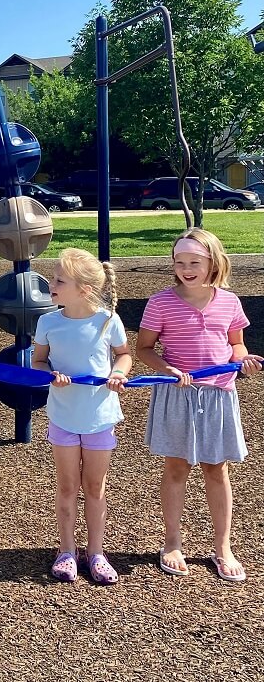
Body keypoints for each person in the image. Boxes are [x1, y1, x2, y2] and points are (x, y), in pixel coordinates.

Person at [136, 228, 262, 582]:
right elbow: (144, 349)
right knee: (176, 468)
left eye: (194, 262)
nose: (186, 269)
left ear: (213, 263)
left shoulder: (230, 301)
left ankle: (223, 546)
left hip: (218, 394)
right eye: (179, 262)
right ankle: (172, 542)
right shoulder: (160, 302)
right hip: (178, 394)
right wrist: (168, 369)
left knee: (216, 469)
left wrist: (244, 359)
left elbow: (236, 345)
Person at [31, 248, 132, 584]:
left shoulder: (107, 320)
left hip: (100, 417)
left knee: (95, 487)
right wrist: (50, 374)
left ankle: (97, 553)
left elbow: (124, 355)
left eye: (59, 280)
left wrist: (118, 373)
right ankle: (66, 551)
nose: (52, 284)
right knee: (67, 486)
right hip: (63, 416)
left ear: (84, 289)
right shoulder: (48, 322)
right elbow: (38, 362)